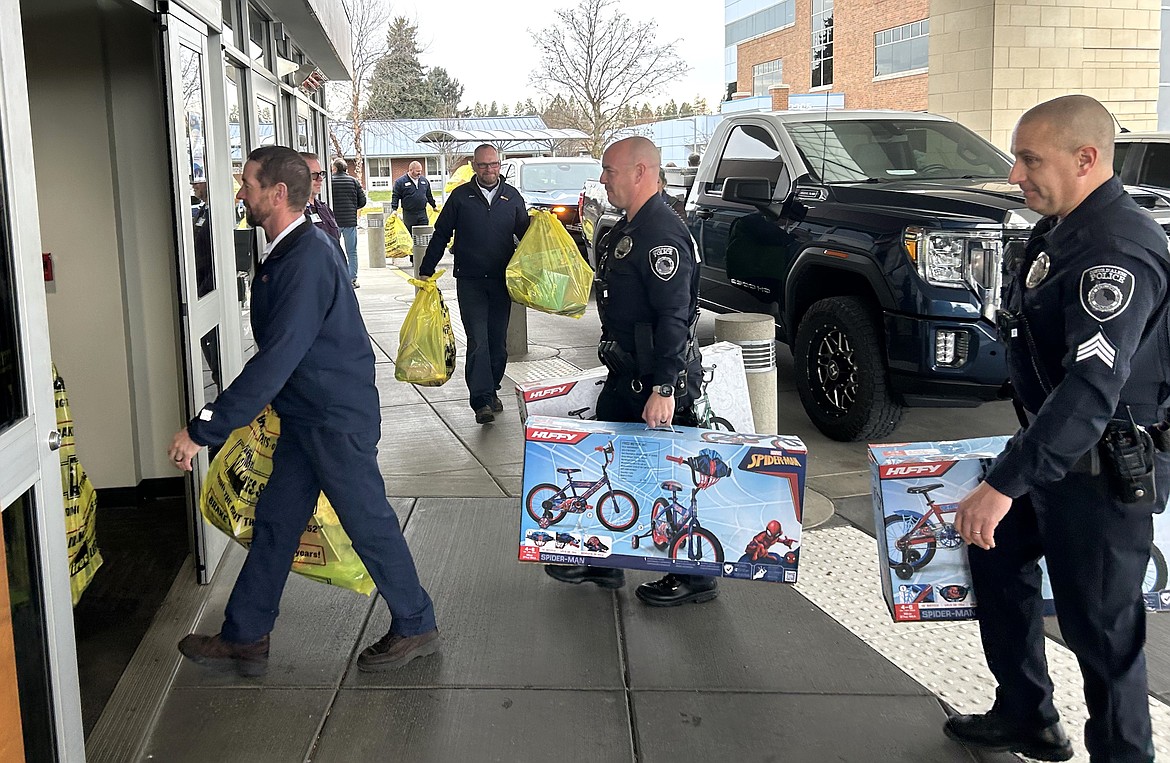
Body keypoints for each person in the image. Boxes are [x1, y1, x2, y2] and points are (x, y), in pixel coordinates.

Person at [947, 94, 1170, 762]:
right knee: (995, 551)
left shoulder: (1114, 250)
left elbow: (1091, 389)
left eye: (1029, 158)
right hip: (1056, 460)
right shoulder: (1061, 228)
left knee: (1104, 638)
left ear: (1086, 158)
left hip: (1100, 475)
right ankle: (1027, 714)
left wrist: (1004, 482)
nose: (1016, 173)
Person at [168, 146, 438, 678]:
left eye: (247, 183)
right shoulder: (287, 250)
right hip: (306, 414)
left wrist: (205, 428)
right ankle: (245, 634)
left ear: (278, 193)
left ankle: (416, 622)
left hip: (333, 418)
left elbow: (278, 357)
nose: (240, 192)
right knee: (276, 521)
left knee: (368, 522)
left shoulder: (308, 255)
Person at [543, 136, 715, 607]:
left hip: (654, 382)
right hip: (627, 375)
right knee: (611, 463)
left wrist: (664, 388)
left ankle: (696, 577)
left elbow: (674, 317)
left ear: (641, 172)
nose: (603, 179)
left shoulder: (662, 233)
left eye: (610, 171)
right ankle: (605, 561)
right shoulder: (631, 228)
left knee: (670, 477)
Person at [418, 144, 529, 424]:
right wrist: (426, 269)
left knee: (498, 342)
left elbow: (527, 238)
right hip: (470, 280)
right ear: (474, 166)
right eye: (482, 165)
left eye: (493, 165)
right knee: (478, 340)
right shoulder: (461, 197)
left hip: (502, 282)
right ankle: (481, 401)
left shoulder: (512, 197)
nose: (488, 170)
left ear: (500, 165)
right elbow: (442, 233)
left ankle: (491, 390)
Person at [299, 152, 348, 279]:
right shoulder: (292, 214)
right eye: (314, 175)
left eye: (321, 174)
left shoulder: (324, 209)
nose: (320, 179)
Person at [330, 157, 367, 288]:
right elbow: (363, 201)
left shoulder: (330, 182)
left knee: (334, 250)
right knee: (352, 251)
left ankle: (338, 278)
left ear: (334, 169)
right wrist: (352, 207)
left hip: (334, 221)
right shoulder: (354, 181)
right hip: (350, 221)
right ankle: (352, 279)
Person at [392, 160, 438, 232]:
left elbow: (429, 195)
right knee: (411, 234)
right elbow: (395, 196)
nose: (419, 173)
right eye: (417, 171)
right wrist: (394, 209)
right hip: (409, 214)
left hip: (422, 212)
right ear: (410, 170)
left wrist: (434, 206)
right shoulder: (400, 182)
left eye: (420, 171)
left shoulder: (424, 181)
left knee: (424, 233)